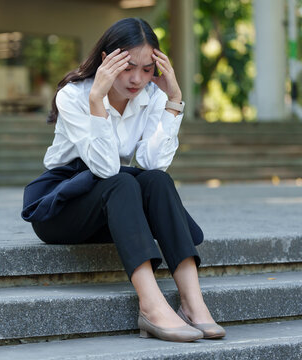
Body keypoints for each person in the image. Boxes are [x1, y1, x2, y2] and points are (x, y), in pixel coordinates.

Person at [21, 17, 225, 342]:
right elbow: (103, 168)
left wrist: (173, 101)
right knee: (121, 181)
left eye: (147, 70)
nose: (137, 79)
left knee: (156, 182)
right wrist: (97, 102)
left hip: (114, 202)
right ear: (106, 60)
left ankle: (192, 303)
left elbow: (152, 164)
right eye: (128, 66)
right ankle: (151, 306)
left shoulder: (152, 97)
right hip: (61, 207)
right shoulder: (74, 96)